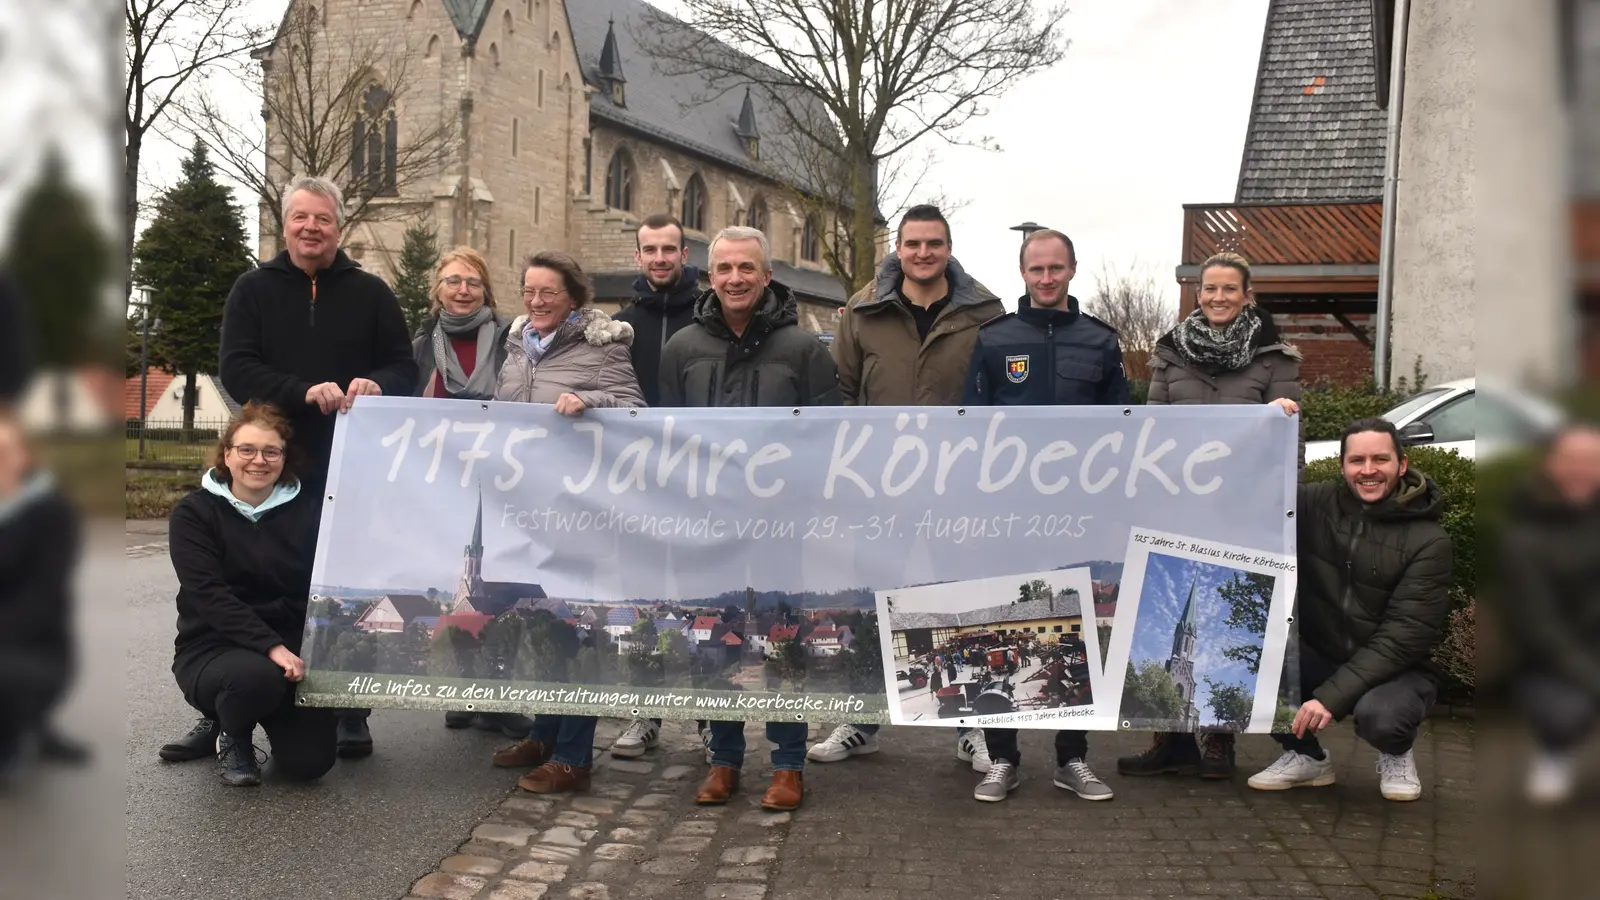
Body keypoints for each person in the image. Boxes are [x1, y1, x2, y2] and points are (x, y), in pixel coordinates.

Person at [201, 175, 417, 762]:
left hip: (351, 468)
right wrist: (300, 392)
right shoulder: (253, 289)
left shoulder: (371, 292)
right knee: (254, 583)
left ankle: (351, 706)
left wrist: (380, 384)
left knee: (348, 588)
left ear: (338, 227)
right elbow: (237, 367)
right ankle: (220, 704)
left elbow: (405, 366)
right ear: (285, 223)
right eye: (300, 218)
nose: (310, 228)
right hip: (269, 465)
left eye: (322, 219)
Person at [809, 203, 1004, 769]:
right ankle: (862, 721)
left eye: (934, 244)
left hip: (958, 487)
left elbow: (997, 398)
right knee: (874, 602)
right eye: (912, 243)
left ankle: (971, 727)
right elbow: (841, 392)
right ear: (897, 246)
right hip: (879, 487)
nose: (923, 253)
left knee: (961, 601)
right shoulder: (864, 310)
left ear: (949, 247)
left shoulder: (985, 313)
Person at [659, 225, 840, 811]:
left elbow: (825, 439)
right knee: (716, 643)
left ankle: (788, 765)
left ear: (766, 276)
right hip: (708, 526)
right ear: (709, 277)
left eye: (747, 269)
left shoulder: (804, 349)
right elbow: (665, 441)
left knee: (785, 643)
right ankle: (724, 760)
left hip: (783, 528)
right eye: (724, 269)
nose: (735, 279)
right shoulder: (681, 348)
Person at [1117, 251, 1303, 782]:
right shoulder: (1170, 356)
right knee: (1169, 609)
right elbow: (1152, 434)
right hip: (1180, 508)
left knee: (1222, 617)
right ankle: (1170, 741)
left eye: (1229, 289)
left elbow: (1290, 444)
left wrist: (1282, 503)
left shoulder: (1275, 359)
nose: (1218, 297)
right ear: (1197, 294)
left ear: (1248, 296)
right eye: (1209, 289)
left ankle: (1220, 743)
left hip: (1245, 511)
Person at [961, 228, 1128, 804]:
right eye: (1037, 269)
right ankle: (1002, 758)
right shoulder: (992, 339)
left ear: (1073, 270)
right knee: (999, 627)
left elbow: (1122, 431)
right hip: (1008, 514)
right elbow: (970, 430)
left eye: (1057, 268)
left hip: (1078, 514)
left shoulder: (1101, 341)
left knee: (1073, 630)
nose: (1047, 278)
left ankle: (1072, 758)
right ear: (1023, 272)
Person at [487, 249, 646, 794]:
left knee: (578, 630)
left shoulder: (604, 349)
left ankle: (575, 756)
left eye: (548, 293)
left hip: (584, 512)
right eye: (529, 291)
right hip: (527, 507)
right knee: (543, 623)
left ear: (573, 298)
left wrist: (589, 398)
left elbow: (634, 410)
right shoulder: (514, 348)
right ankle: (545, 733)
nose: (536, 302)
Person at [1246, 418, 1452, 802]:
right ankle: (1307, 758)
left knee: (1382, 718)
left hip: (1396, 669)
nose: (1369, 470)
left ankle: (1396, 752)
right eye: (1357, 460)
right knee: (1250, 668)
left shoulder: (1429, 541)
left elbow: (1403, 637)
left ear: (1402, 465)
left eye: (1381, 459)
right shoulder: (1312, 504)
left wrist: (1330, 697)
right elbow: (1249, 490)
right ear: (1342, 466)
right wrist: (1267, 422)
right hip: (1322, 653)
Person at [166, 403, 338, 786]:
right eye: (246, 449)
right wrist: (271, 646)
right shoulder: (194, 514)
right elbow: (209, 595)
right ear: (227, 454)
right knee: (253, 679)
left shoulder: (310, 512)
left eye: (270, 451)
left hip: (290, 655)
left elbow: (325, 585)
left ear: (283, 458)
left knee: (311, 764)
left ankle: (246, 713)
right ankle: (233, 734)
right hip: (214, 647)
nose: (258, 460)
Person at [410, 245, 531, 737]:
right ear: (438, 288)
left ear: (486, 290)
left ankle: (496, 699)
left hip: (499, 480)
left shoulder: (510, 339)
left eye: (473, 283)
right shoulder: (419, 345)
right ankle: (461, 693)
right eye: (454, 281)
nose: (463, 291)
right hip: (442, 481)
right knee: (457, 599)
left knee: (491, 596)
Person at [609, 213, 702, 760]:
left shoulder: (707, 319)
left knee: (701, 595)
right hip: (637, 482)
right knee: (642, 599)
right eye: (651, 249)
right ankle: (645, 712)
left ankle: (712, 717)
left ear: (684, 254)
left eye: (670, 248)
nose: (661, 258)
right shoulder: (617, 325)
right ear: (638, 256)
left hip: (696, 481)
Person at [1498, 425, 1600, 805]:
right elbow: (1541, 630)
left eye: (1591, 461)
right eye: (1570, 460)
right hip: (1555, 665)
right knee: (1562, 711)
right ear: (1550, 466)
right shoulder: (1523, 538)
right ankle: (1555, 752)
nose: (1581, 470)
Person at [0, 409, 87, 781]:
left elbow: (42, 597)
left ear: (23, 455)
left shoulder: (51, 513)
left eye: (4, 451)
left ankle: (19, 732)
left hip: (31, 643)